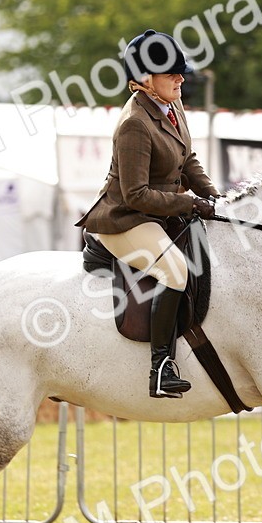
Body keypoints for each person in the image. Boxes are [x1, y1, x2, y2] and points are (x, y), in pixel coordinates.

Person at [76, 29, 223, 398]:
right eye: (171, 73)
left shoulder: (172, 106)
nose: (180, 78)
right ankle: (160, 368)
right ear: (144, 80)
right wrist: (191, 204)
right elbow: (136, 194)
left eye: (180, 71)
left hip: (158, 213)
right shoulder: (133, 125)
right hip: (124, 218)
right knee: (174, 270)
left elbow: (188, 160)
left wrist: (217, 199)